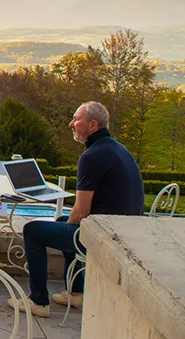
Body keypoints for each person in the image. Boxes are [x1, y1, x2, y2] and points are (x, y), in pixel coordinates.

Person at [8, 101, 144, 317]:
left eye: (76, 119)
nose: (71, 124)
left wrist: (69, 232)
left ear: (92, 125)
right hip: (125, 230)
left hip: (106, 237)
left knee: (33, 231)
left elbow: (81, 212)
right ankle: (76, 293)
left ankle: (38, 301)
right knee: (63, 221)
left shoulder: (91, 157)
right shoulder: (117, 149)